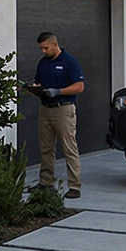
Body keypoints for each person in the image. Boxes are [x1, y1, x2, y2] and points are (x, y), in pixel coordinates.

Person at [27, 31, 86, 199]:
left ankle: (74, 186)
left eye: (46, 48)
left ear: (54, 45)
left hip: (63, 109)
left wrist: (58, 91)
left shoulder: (69, 62)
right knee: (46, 148)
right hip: (45, 108)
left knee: (69, 148)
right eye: (41, 48)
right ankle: (46, 183)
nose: (43, 51)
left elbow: (79, 86)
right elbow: (39, 81)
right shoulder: (43, 63)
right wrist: (35, 88)